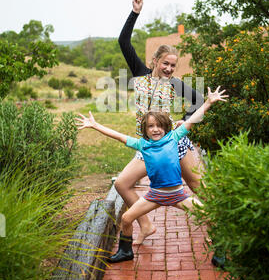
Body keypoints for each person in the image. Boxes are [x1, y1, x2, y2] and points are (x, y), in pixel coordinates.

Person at [75, 86, 228, 263]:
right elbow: (118, 136)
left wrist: (209, 102)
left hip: (177, 195)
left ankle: (220, 254)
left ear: (166, 127)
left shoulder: (174, 137)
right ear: (145, 130)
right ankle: (126, 252)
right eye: (151, 126)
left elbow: (193, 119)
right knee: (126, 218)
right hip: (155, 195)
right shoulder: (142, 145)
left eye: (159, 126)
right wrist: (95, 126)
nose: (155, 129)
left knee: (208, 214)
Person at [114, 0, 205, 244]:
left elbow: (198, 102)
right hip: (148, 146)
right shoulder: (140, 74)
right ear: (155, 60)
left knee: (199, 189)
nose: (169, 68)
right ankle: (145, 224)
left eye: (173, 65)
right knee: (122, 184)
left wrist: (182, 120)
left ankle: (219, 231)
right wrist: (135, 13)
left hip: (174, 144)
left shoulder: (175, 83)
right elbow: (123, 42)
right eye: (165, 63)